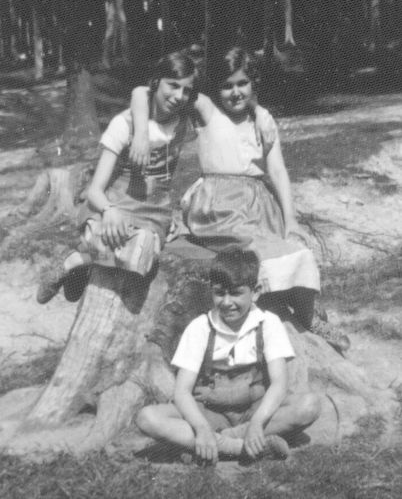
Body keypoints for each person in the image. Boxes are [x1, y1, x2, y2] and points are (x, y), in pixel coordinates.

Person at [129, 46, 320, 331]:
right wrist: (141, 135)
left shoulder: (262, 121)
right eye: (227, 86)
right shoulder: (207, 108)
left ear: (253, 83)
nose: (235, 92)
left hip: (259, 207)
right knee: (255, 251)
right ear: (215, 88)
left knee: (298, 249)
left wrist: (290, 219)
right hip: (218, 205)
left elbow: (277, 170)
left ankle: (308, 317)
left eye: (243, 83)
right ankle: (264, 310)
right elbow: (141, 92)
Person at [36, 51, 198, 304]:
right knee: (126, 246)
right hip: (115, 207)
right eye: (173, 86)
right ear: (156, 83)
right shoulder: (125, 124)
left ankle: (81, 260)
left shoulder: (181, 125)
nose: (179, 97)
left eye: (186, 90)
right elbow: (94, 190)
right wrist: (110, 211)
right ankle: (73, 261)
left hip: (152, 214)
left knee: (141, 260)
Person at [136, 247, 321, 464]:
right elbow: (182, 391)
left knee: (309, 405)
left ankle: (211, 446)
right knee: (148, 418)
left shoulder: (268, 323)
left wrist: (257, 423)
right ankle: (241, 447)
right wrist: (202, 428)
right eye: (219, 292)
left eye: (235, 293)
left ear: (256, 291)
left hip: (253, 410)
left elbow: (279, 383)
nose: (226, 302)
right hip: (209, 413)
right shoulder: (200, 327)